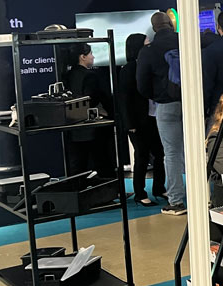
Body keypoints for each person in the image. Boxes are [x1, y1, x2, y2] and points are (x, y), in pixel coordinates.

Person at [137, 11, 187, 216]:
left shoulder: (148, 51)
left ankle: (176, 201)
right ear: (171, 24)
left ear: (154, 28)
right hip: (192, 104)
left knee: (172, 153)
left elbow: (142, 85)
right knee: (197, 150)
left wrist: (157, 96)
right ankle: (206, 196)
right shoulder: (185, 41)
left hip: (166, 105)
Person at [119, 33, 166, 206]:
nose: (149, 46)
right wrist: (129, 123)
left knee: (160, 153)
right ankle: (140, 193)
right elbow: (124, 98)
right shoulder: (128, 70)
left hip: (153, 117)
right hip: (137, 121)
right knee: (141, 156)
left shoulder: (148, 64)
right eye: (146, 43)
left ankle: (159, 187)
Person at [63, 42, 117, 177]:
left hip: (72, 125)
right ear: (83, 57)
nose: (93, 57)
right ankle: (109, 186)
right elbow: (91, 99)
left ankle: (78, 187)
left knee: (78, 164)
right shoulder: (90, 76)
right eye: (91, 54)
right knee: (102, 160)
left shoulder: (67, 75)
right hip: (91, 127)